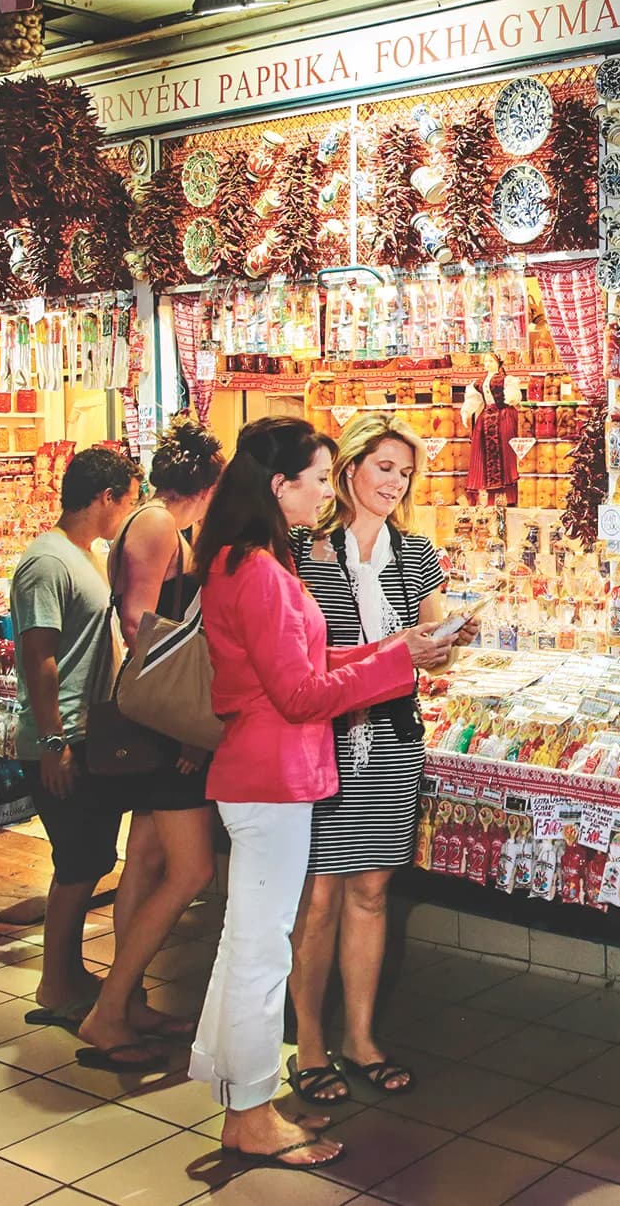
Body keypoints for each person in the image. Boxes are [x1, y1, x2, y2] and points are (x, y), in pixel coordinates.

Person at [189, 417, 457, 1170]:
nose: (323, 490)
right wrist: (394, 664)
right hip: (276, 772)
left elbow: (307, 660)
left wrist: (391, 651)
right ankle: (250, 1113)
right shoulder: (268, 569)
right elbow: (302, 693)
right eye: (316, 476)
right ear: (285, 486)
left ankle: (237, 1092)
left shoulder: (248, 562)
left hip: (272, 769)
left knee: (251, 941)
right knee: (261, 948)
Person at [287, 415, 459, 1107]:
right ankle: (306, 1042)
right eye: (385, 467)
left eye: (406, 472)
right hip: (322, 738)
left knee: (371, 890)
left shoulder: (414, 553)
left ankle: (359, 1037)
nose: (396, 482)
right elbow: (292, 650)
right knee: (319, 895)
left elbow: (435, 632)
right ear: (351, 467)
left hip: (390, 735)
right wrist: (390, 652)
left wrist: (440, 638)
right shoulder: (302, 548)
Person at [76, 420, 226, 1070]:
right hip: (158, 714)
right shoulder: (161, 524)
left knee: (143, 857)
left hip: (154, 708)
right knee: (189, 868)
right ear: (209, 481)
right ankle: (110, 1010)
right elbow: (140, 621)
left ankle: (125, 999)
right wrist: (181, 720)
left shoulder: (152, 518)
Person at [13, 447, 140, 1033]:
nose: (130, 512)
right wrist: (53, 742)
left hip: (90, 731)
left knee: (90, 857)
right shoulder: (47, 561)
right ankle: (54, 983)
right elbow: (39, 658)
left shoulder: (88, 555)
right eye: (129, 500)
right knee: (76, 863)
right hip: (64, 734)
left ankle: (69, 973)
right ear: (106, 497)